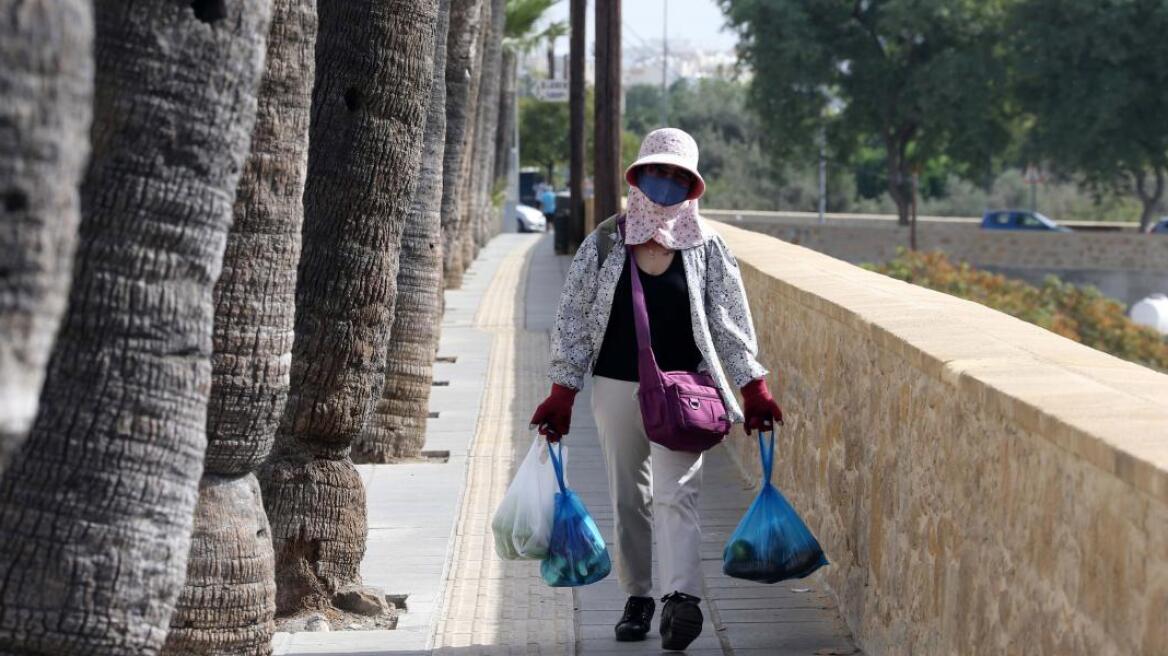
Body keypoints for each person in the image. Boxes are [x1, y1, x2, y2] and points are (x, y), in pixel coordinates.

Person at [530, 128, 783, 651]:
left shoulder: (708, 247)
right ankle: (638, 596)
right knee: (629, 497)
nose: (665, 183)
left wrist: (753, 387)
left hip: (687, 393)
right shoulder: (604, 241)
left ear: (692, 187)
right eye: (657, 172)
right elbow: (574, 319)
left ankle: (682, 600)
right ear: (637, 176)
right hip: (616, 387)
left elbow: (730, 321)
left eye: (677, 176)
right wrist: (562, 393)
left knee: (678, 495)